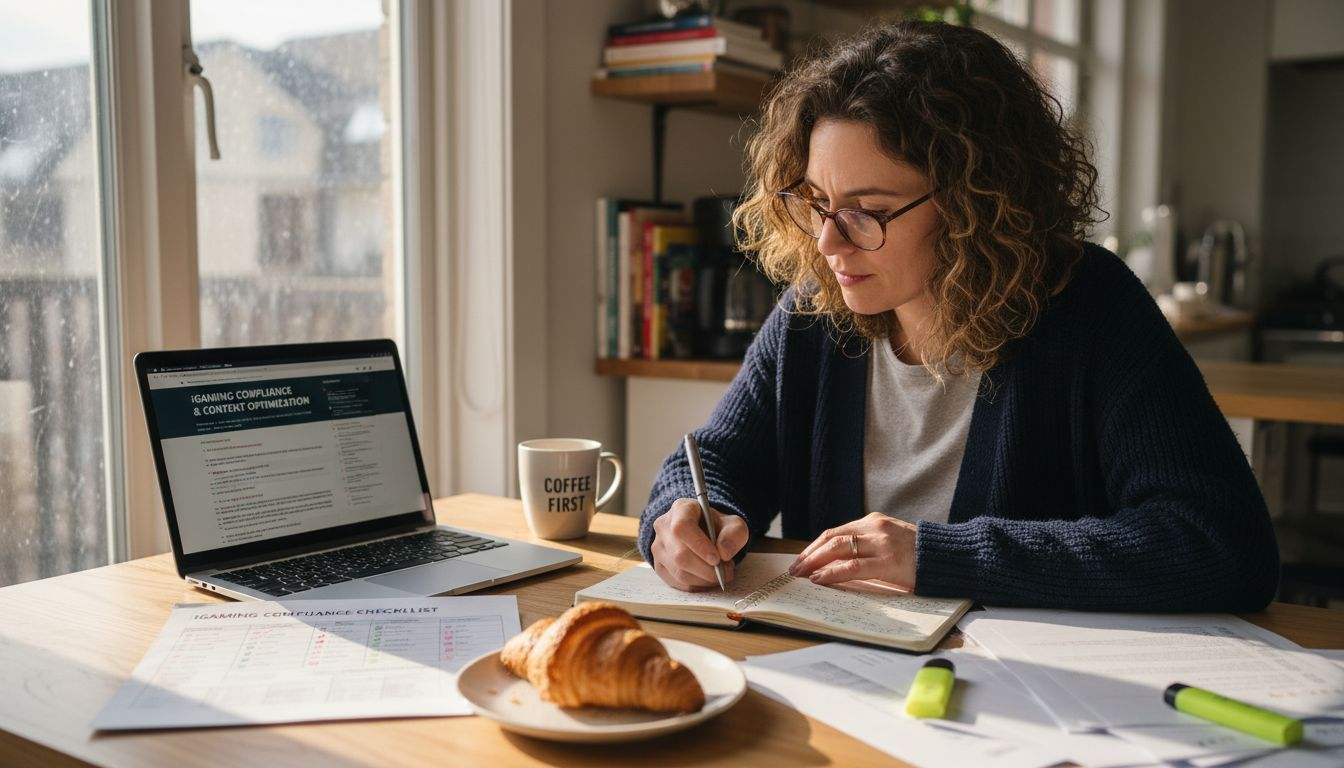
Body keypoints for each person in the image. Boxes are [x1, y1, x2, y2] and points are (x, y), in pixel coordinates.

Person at [635, 21, 1279, 612]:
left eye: (867, 209)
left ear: (978, 203)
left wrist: (939, 557)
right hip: (838, 672)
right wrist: (685, 516)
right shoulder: (815, 311)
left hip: (1030, 697)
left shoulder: (1089, 306)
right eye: (817, 201)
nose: (828, 242)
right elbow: (714, 459)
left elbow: (1223, 545)